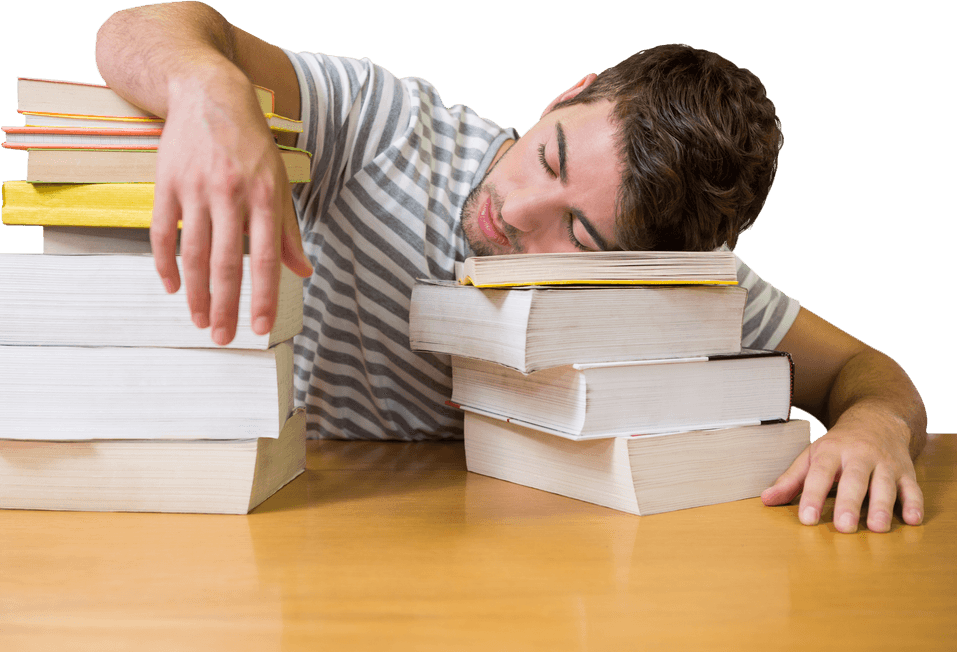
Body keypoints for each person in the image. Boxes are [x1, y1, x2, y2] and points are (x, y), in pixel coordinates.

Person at [94, 1, 926, 534]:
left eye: (580, 235)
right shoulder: (389, 131)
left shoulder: (678, 286)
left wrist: (875, 425)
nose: (516, 210)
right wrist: (212, 91)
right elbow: (140, 26)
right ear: (570, 92)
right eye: (551, 156)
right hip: (291, 514)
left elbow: (865, 372)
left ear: (648, 271)